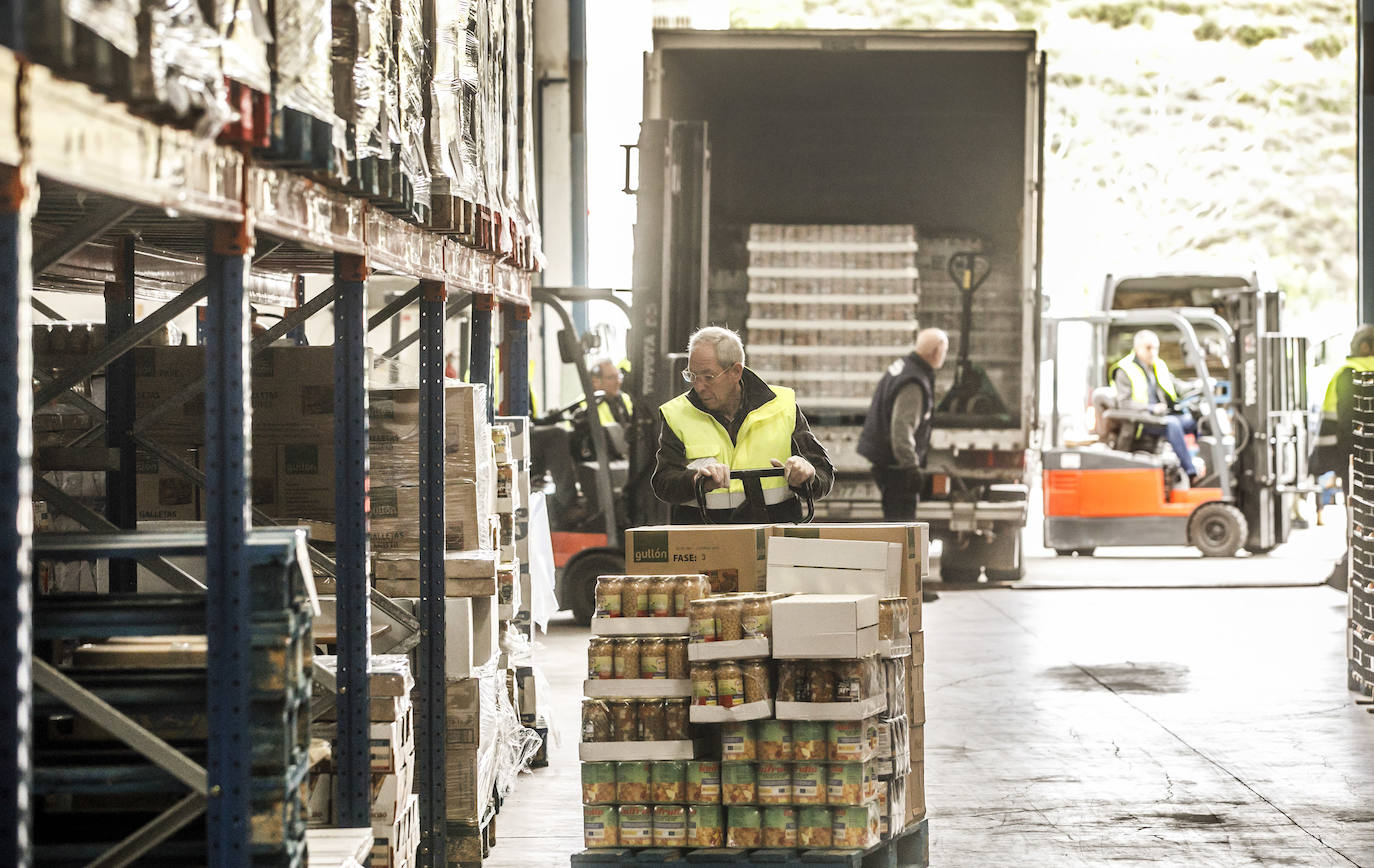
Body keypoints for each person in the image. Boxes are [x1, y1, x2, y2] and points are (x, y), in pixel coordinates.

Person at [651, 326, 834, 524]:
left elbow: (823, 473)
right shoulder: (677, 415)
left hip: (773, 536)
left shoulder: (783, 407)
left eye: (708, 377)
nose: (699, 386)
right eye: (692, 375)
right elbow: (663, 483)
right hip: (705, 542)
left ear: (736, 371)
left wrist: (807, 476)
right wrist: (696, 481)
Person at [858, 328, 949, 523]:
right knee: (902, 526)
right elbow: (901, 428)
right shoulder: (914, 382)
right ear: (936, 352)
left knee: (896, 524)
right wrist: (910, 466)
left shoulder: (904, 367)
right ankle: (904, 555)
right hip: (897, 468)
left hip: (888, 463)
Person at [1311, 324, 1374, 586]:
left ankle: (1352, 573)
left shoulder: (1349, 374)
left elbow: (1348, 427)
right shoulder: (1355, 373)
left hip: (1355, 465)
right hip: (1359, 463)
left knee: (1358, 521)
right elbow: (1351, 425)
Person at [1110, 329, 1203, 486]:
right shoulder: (1125, 370)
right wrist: (1151, 408)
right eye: (1148, 348)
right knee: (1172, 424)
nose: (1153, 352)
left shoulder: (1157, 365)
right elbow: (1124, 404)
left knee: (1199, 419)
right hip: (1142, 421)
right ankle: (1191, 472)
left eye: (1155, 348)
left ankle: (1208, 465)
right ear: (1137, 348)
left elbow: (1177, 386)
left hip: (1161, 417)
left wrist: (1198, 385)